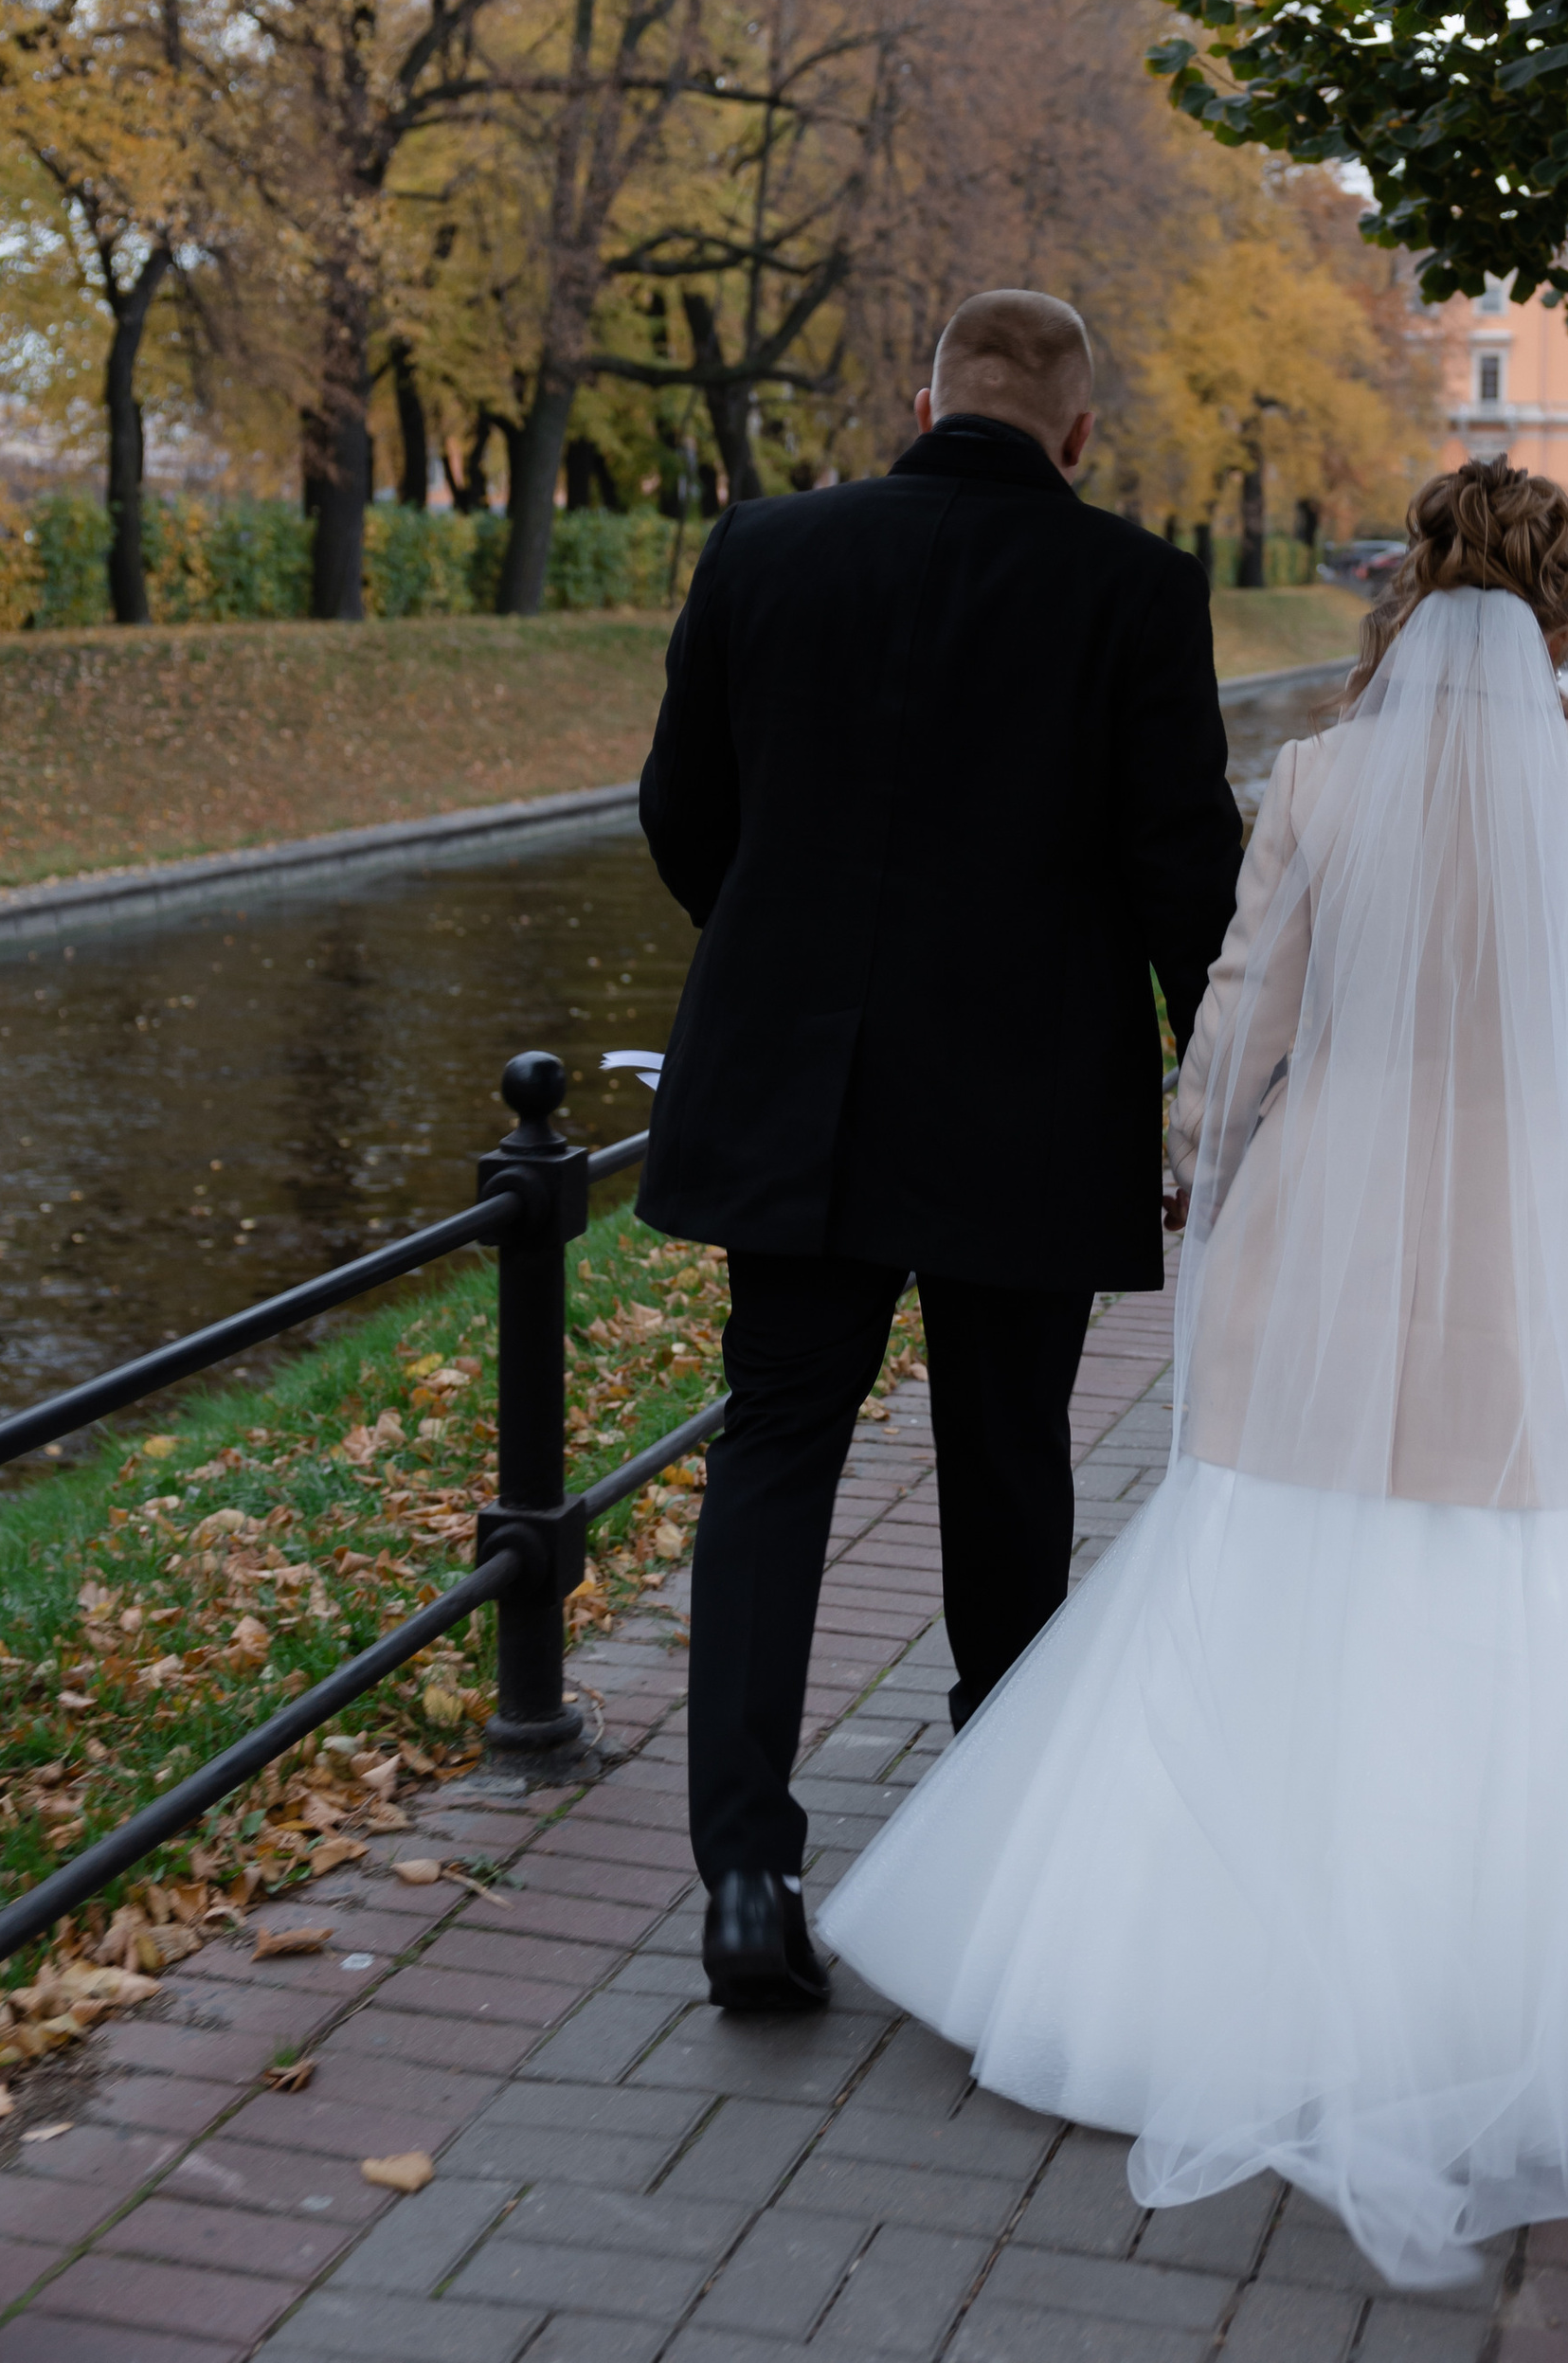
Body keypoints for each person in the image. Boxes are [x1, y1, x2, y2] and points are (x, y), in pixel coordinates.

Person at [820, 458, 1568, 2292]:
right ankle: (1464, 1986)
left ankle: (1189, 1973)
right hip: (1526, 1256)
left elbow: (1240, 1024)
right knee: (1497, 1585)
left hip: (1327, 1235)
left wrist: (1189, 1155)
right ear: (1562, 603)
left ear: (1405, 582)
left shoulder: (1319, 779)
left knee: (1282, 1573)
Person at [636, 289, 1243, 2018]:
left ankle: (748, 1874)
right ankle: (995, 1842)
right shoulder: (1134, 586)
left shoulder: (767, 549)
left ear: (921, 402)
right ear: (1077, 432)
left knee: (774, 1454)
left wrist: (786, 952)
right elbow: (1180, 874)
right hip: (1029, 1103)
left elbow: (688, 815)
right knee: (1007, 1462)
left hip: (799, 1096)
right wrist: (1231, 1076)